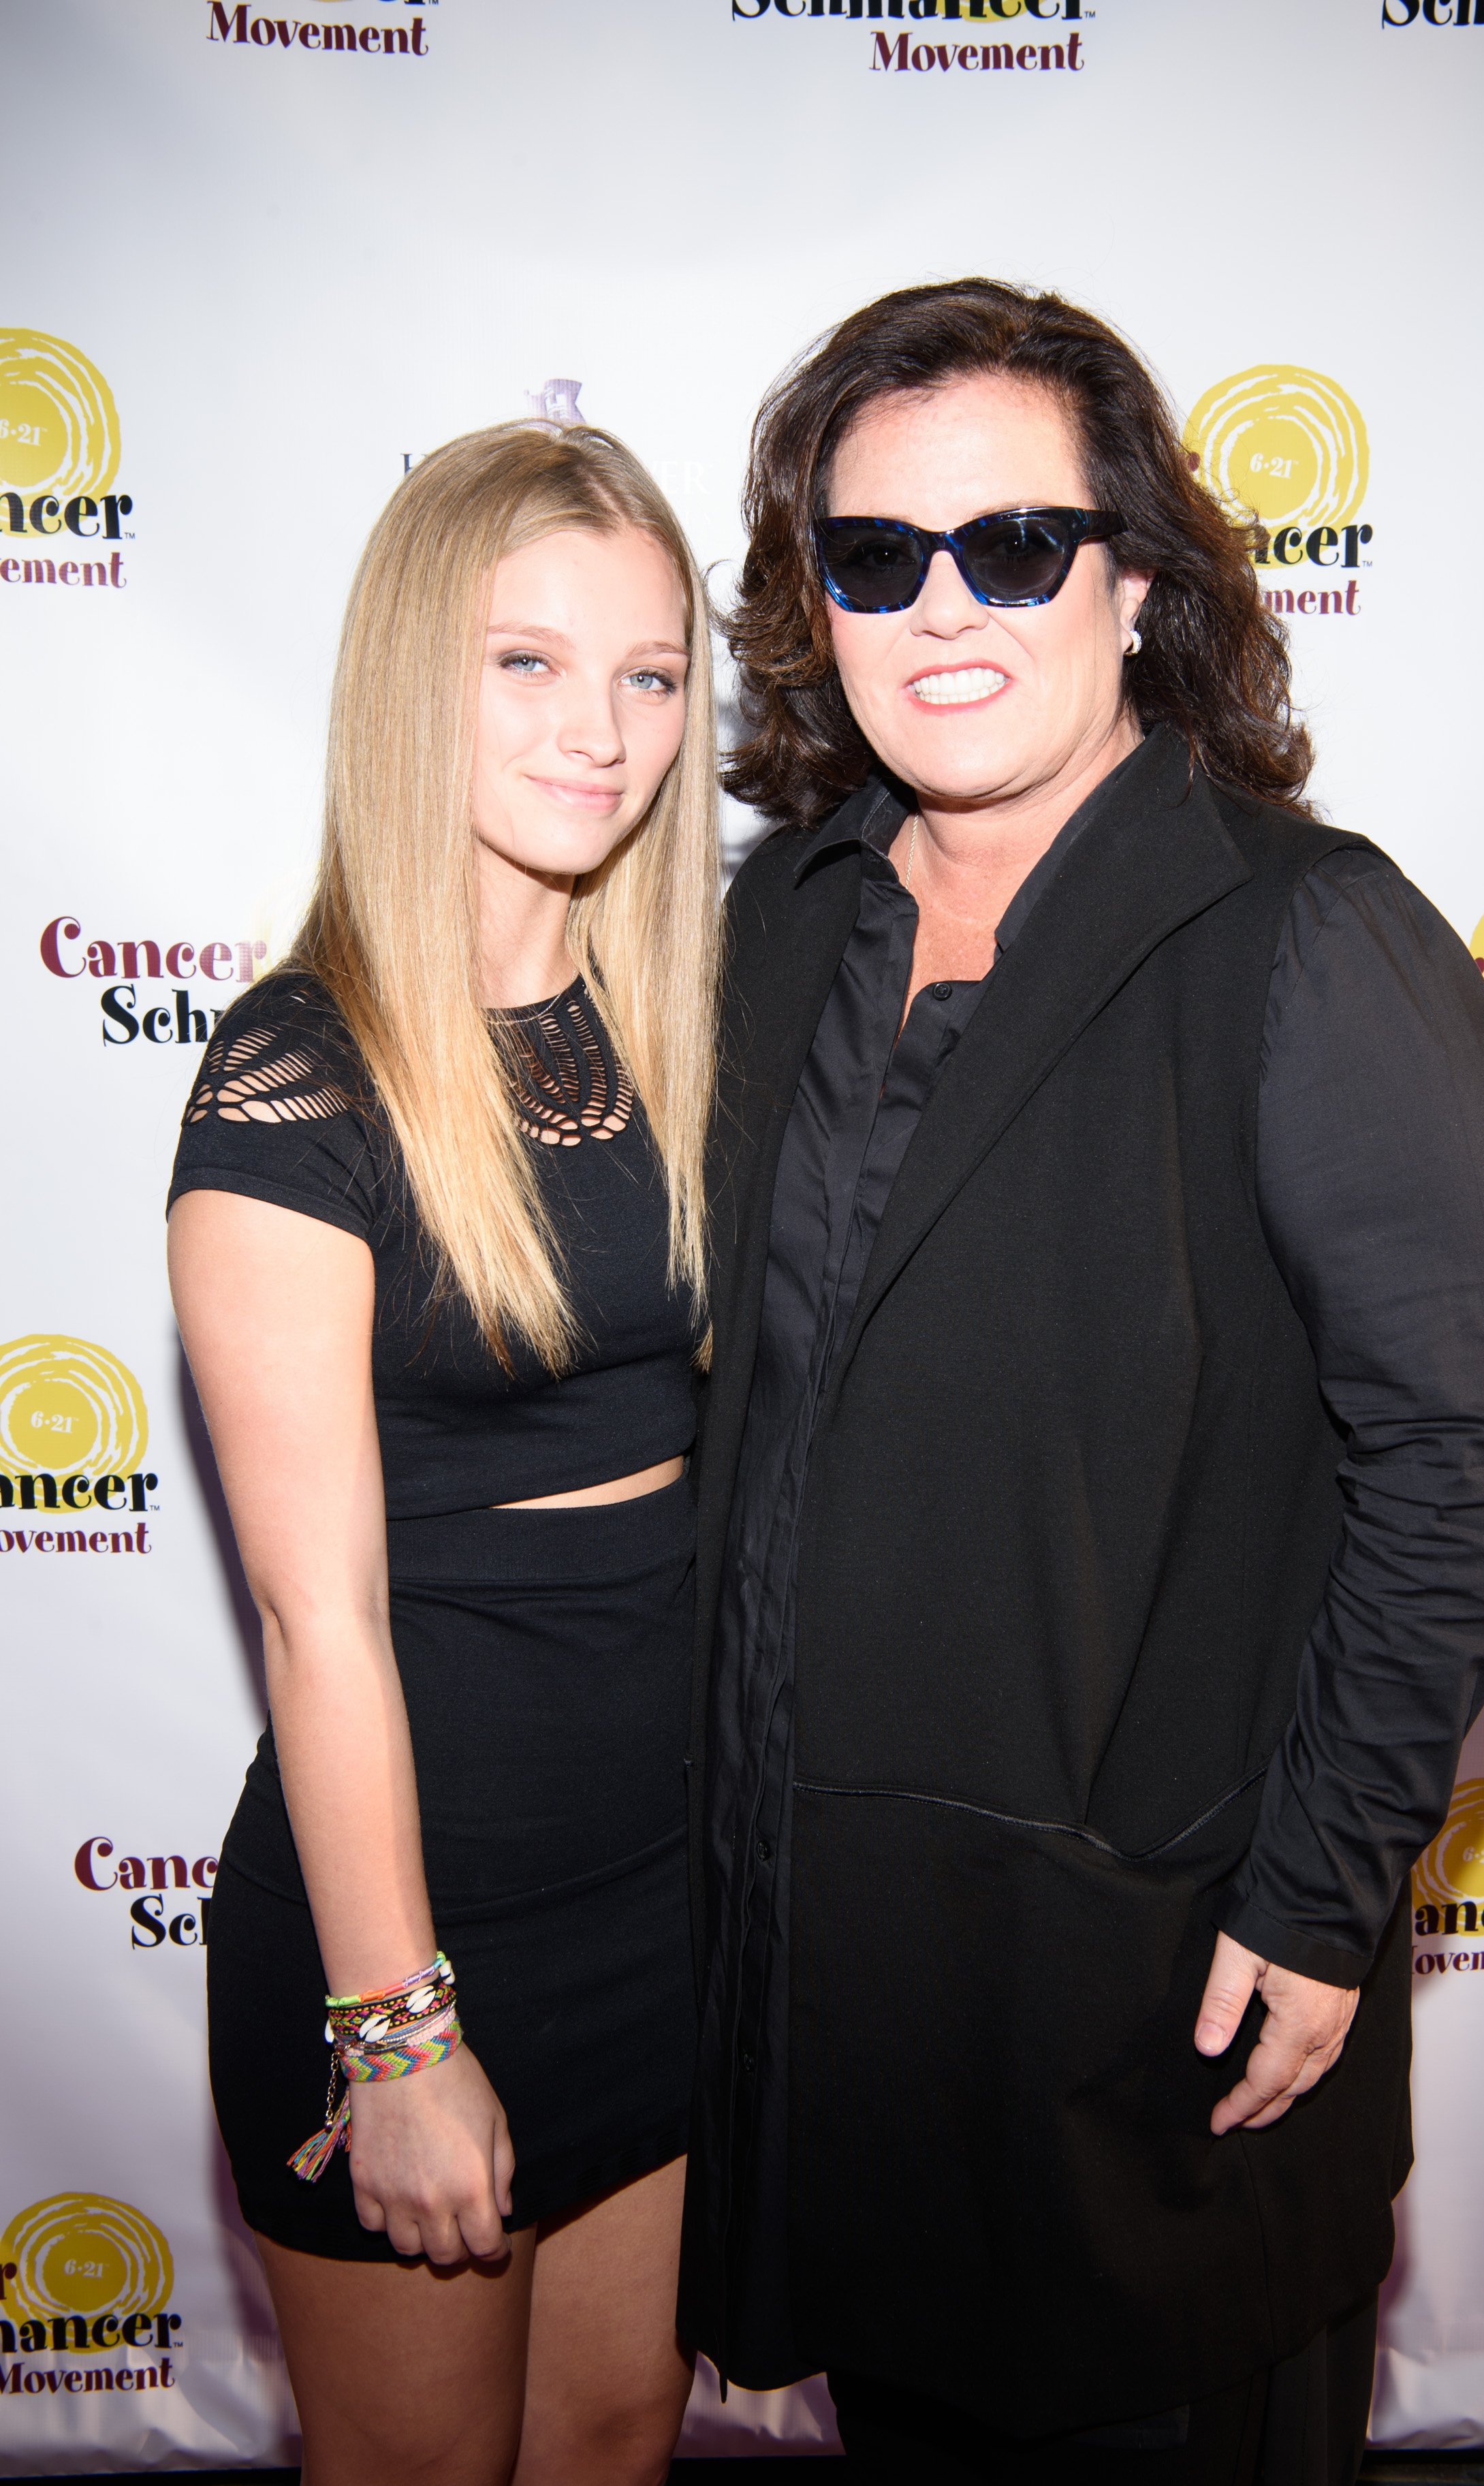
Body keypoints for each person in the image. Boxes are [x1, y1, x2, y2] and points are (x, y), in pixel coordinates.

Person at [679, 280, 1484, 2485]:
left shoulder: (1307, 934)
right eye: (874, 558)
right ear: (815, 605)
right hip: (851, 2007)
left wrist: (1321, 1880)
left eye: (1015, 544)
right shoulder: (778, 922)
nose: (942, 608)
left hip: (1156, 2003)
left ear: (1140, 578)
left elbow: (1464, 1447)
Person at [168, 420, 721, 2486]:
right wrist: (396, 2033)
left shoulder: (683, 1028)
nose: (604, 729)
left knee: (608, 2442)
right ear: (419, 673)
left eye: (651, 674)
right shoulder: (298, 1078)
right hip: (421, 1931)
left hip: (665, 1905)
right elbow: (319, 1624)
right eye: (529, 664)